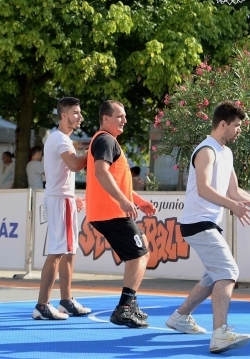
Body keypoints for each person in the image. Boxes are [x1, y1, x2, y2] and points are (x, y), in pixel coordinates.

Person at [165, 101, 250, 354]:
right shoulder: (206, 150)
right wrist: (233, 207)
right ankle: (220, 334)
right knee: (228, 271)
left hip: (208, 224)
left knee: (212, 278)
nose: (239, 130)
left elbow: (233, 191)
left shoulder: (225, 153)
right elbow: (205, 189)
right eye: (237, 125)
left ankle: (180, 317)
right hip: (197, 223)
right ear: (222, 124)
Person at [85, 100, 156, 328]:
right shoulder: (105, 139)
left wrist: (137, 200)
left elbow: (116, 181)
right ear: (106, 118)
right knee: (139, 255)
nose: (124, 120)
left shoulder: (107, 141)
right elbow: (101, 172)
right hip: (110, 212)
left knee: (142, 246)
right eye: (120, 116)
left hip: (108, 211)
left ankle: (130, 303)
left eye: (124, 116)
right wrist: (123, 201)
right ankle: (124, 308)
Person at [33, 97, 89, 321]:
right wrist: (95, 150)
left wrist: (71, 195)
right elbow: (75, 164)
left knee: (68, 251)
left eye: (79, 112)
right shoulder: (61, 140)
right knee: (57, 252)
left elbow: (62, 173)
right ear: (63, 115)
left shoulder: (58, 138)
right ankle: (42, 305)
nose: (80, 116)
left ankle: (66, 300)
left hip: (62, 199)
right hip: (59, 201)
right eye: (75, 112)